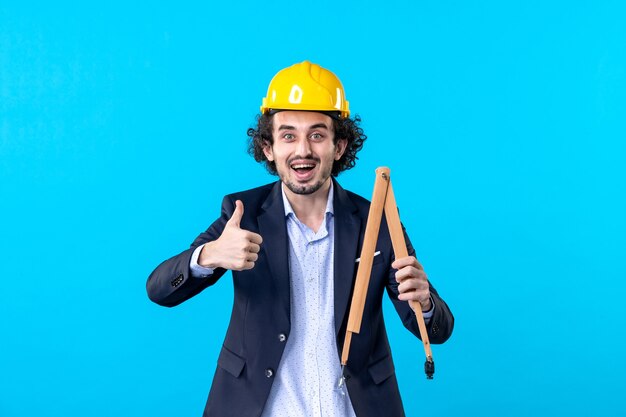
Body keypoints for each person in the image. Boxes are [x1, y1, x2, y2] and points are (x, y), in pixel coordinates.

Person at [146, 61, 454, 417]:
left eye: (318, 135)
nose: (303, 150)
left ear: (339, 146)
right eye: (288, 135)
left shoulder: (378, 219)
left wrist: (424, 301)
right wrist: (209, 255)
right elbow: (159, 290)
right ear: (268, 147)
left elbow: (440, 329)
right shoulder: (242, 213)